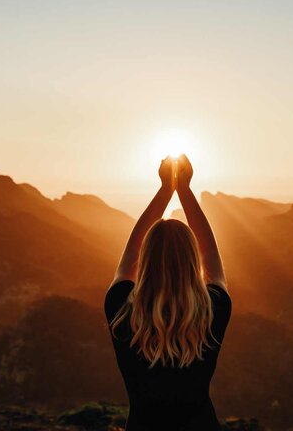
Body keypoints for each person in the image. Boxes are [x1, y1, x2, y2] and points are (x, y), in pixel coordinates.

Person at [104, 154, 232, 431]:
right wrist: (184, 190)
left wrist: (165, 190)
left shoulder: (122, 311)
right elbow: (211, 255)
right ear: (191, 260)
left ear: (146, 259)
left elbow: (128, 257)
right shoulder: (212, 311)